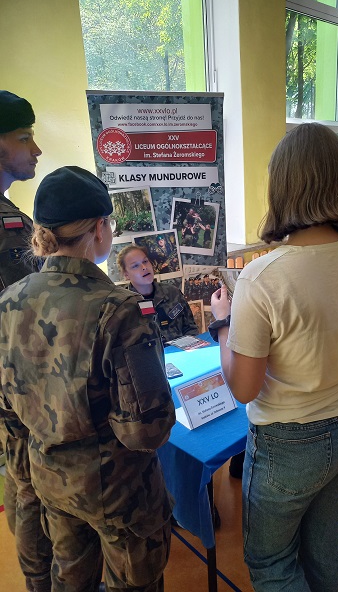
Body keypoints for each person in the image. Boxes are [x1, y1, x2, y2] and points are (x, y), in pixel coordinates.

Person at [210, 123, 338, 592]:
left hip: (290, 441)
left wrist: (223, 325)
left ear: (281, 185)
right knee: (322, 542)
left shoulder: (262, 277)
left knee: (271, 562)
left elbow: (244, 388)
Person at [0, 166, 176, 592]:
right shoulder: (119, 309)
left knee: (70, 579)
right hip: (119, 493)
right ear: (99, 228)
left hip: (50, 480)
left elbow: (8, 408)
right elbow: (147, 431)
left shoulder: (8, 301)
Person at [0, 90, 52, 592]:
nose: (35, 149)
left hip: (13, 381)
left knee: (21, 479)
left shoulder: (10, 212)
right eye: (23, 138)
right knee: (30, 485)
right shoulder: (7, 223)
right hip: (19, 383)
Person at [117, 243, 198, 343]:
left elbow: (191, 329)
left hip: (181, 351)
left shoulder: (172, 293)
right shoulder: (123, 306)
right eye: (135, 266)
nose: (144, 267)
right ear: (126, 274)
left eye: (145, 261)